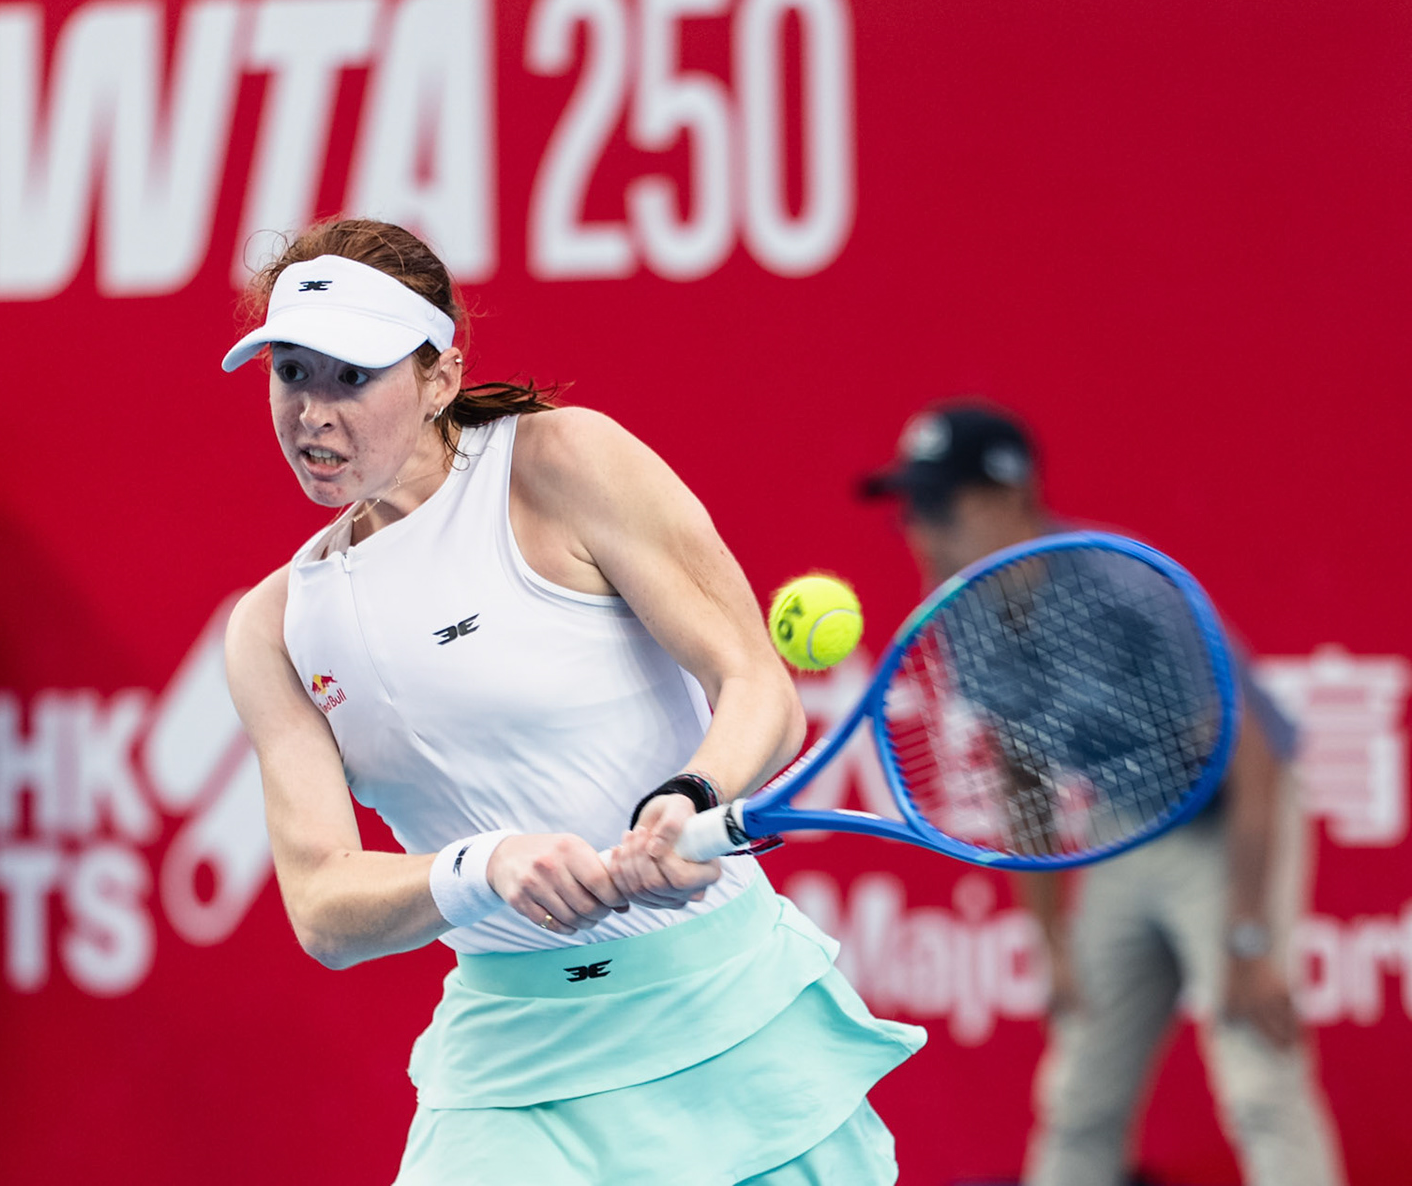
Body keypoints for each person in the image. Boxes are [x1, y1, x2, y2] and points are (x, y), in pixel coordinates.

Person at [221, 218, 924, 1185]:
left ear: (439, 377)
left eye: (354, 376)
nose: (314, 413)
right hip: (513, 1068)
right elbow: (322, 908)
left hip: (729, 1013)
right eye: (292, 371)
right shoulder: (274, 631)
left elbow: (757, 683)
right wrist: (484, 867)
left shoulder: (561, 464)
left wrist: (689, 795)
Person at [857, 401, 1346, 1186]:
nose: (922, 531)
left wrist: (1250, 940)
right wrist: (1053, 943)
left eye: (939, 507)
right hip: (1124, 827)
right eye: (911, 511)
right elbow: (1022, 780)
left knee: (1260, 1081)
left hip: (1229, 823)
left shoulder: (1127, 588)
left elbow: (1253, 761)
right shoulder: (961, 616)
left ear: (1010, 500)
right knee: (1079, 1093)